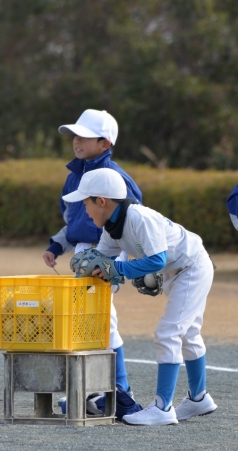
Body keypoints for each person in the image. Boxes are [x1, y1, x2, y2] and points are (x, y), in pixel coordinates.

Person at [64, 167, 218, 426]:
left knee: (168, 333)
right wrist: (85, 282)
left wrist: (119, 269)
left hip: (192, 267)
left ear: (101, 201)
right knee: (188, 333)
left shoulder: (139, 217)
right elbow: (104, 262)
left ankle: (162, 408)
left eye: (85, 203)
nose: (85, 210)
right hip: (178, 271)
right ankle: (199, 398)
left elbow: (156, 260)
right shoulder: (112, 229)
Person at [42, 109, 142, 417]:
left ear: (105, 143)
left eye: (85, 136)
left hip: (109, 249)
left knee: (101, 319)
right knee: (87, 320)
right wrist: (58, 244)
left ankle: (119, 391)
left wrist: (116, 259)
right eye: (75, 135)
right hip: (83, 253)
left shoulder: (115, 176)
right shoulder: (74, 175)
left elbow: (132, 220)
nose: (76, 141)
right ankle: (96, 390)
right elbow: (74, 220)